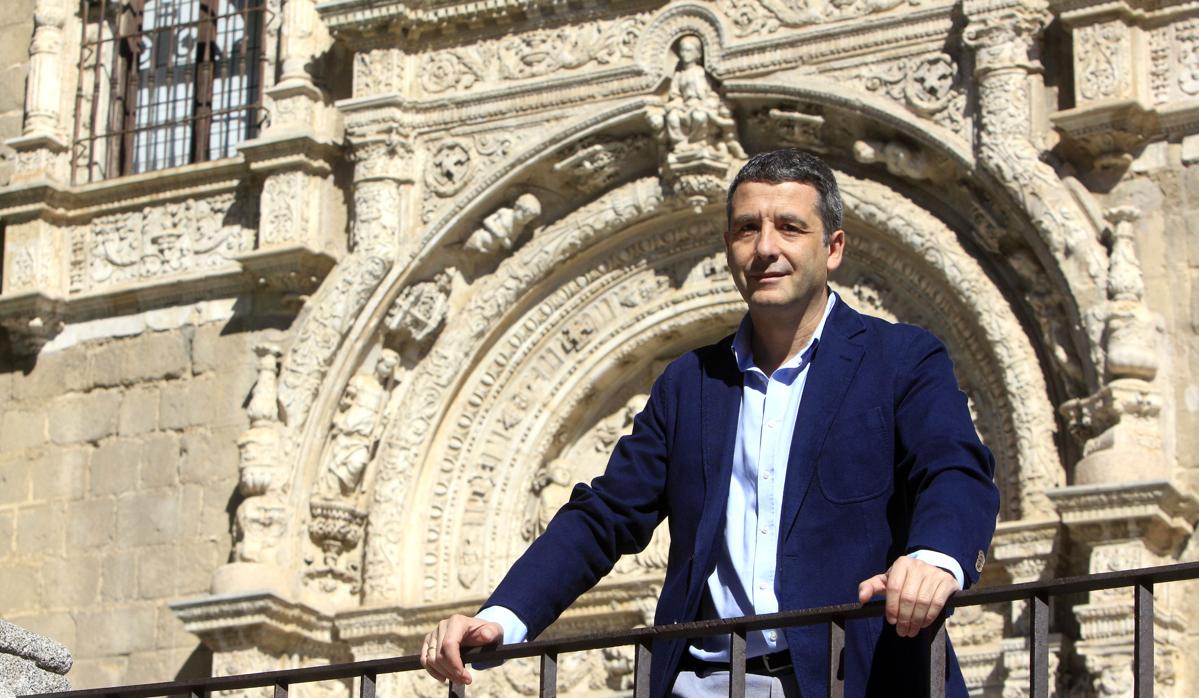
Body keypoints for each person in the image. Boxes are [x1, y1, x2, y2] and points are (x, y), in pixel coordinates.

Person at [421, 150, 999, 697]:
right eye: (748, 229)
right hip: (707, 680)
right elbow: (606, 515)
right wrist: (502, 617)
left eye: (790, 228)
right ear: (729, 247)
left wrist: (934, 559)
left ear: (834, 248)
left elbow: (952, 469)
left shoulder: (900, 360)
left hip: (856, 677)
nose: (766, 248)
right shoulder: (690, 384)